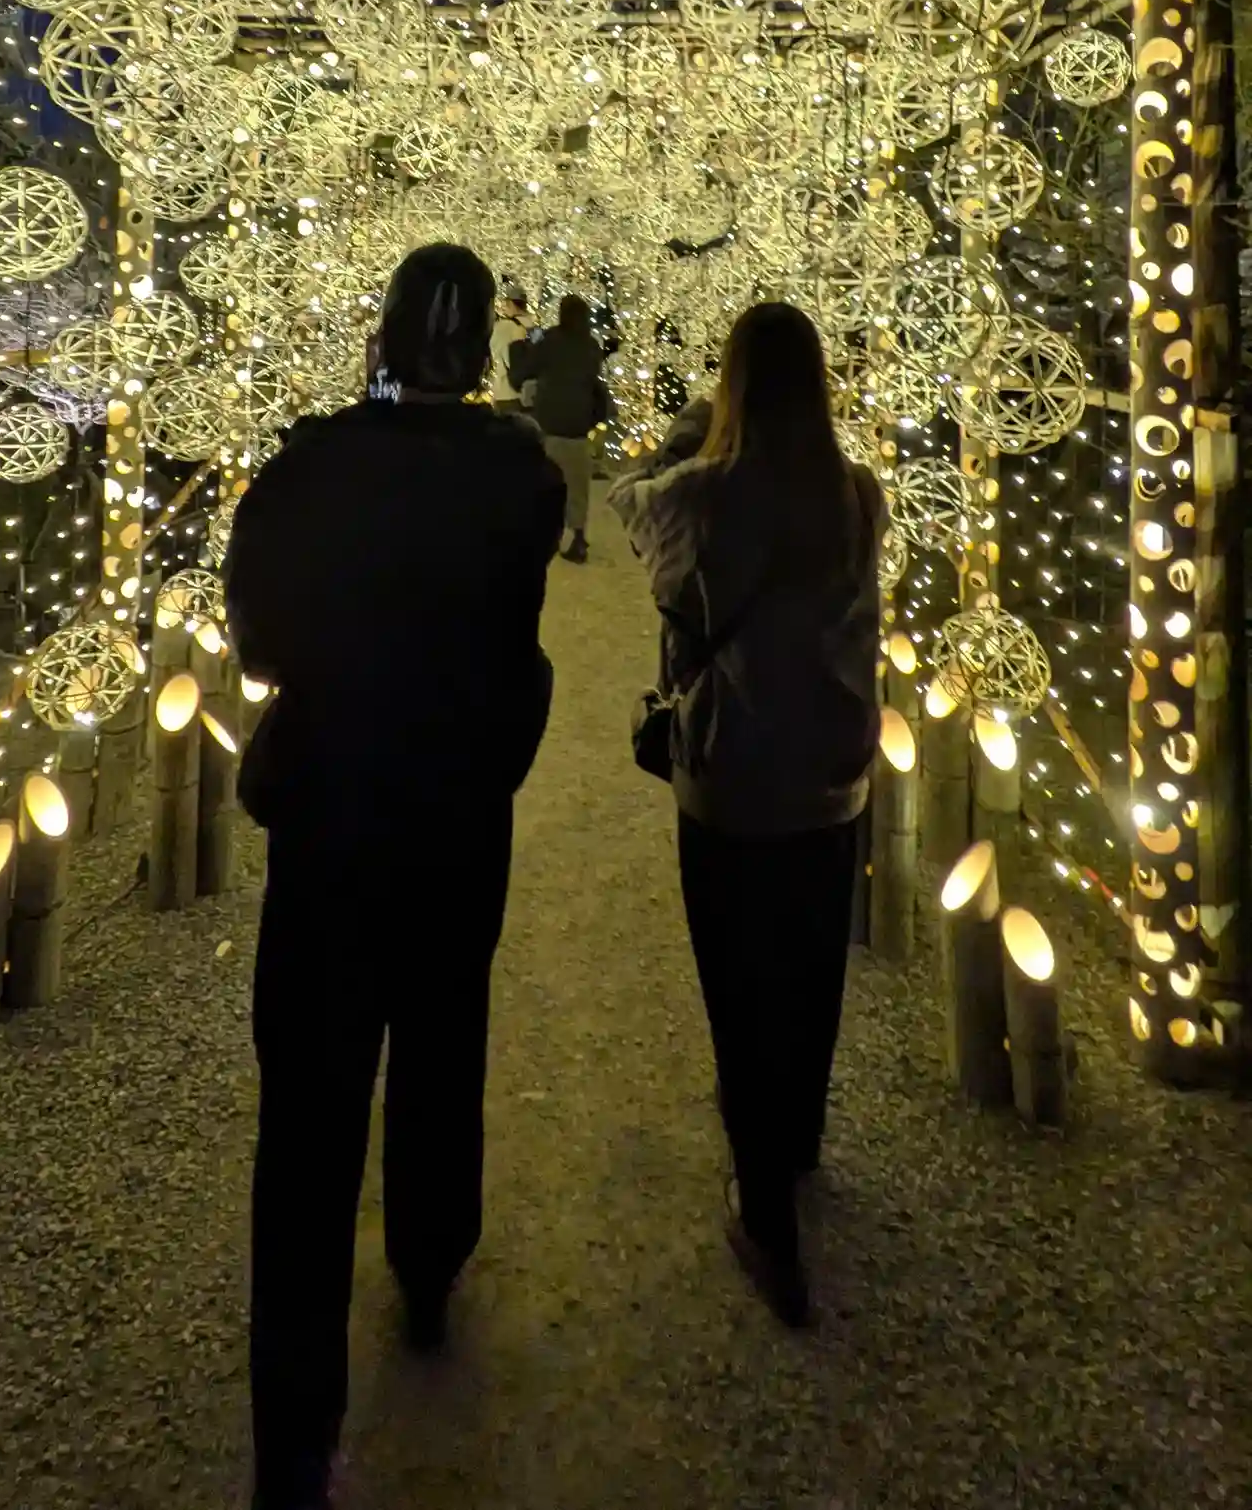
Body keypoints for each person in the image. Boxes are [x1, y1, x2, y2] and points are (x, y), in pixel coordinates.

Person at [226, 244, 566, 1510]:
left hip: (332, 820)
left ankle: (294, 1429)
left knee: (308, 1110)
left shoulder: (312, 467)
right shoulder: (516, 476)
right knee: (440, 1037)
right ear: (480, 348)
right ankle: (428, 1261)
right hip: (456, 815)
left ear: (380, 336)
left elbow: (259, 640)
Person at [608, 303, 884, 1327]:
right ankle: (797, 1135)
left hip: (732, 775)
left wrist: (690, 428)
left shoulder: (706, 494)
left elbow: (631, 508)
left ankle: (765, 1211)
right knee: (810, 965)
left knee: (739, 979)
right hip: (832, 771)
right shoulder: (856, 493)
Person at [509, 292, 608, 563]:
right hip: (579, 424)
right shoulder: (591, 345)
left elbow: (524, 371)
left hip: (550, 421)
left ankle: (543, 533)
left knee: (546, 481)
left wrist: (518, 348)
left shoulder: (551, 340)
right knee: (578, 485)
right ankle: (578, 535)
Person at [488, 282, 532, 413]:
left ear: (511, 304)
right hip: (530, 396)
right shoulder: (534, 327)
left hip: (506, 394)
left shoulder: (503, 326)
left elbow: (493, 351)